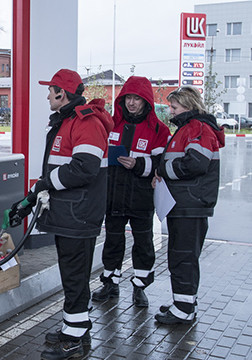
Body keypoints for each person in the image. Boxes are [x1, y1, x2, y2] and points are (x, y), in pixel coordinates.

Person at [9, 69, 113, 359]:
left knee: (75, 274)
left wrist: (44, 183)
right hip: (70, 211)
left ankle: (75, 339)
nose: (47, 96)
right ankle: (75, 325)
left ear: (61, 93)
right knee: (71, 273)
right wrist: (32, 198)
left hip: (78, 213)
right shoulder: (67, 121)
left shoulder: (86, 123)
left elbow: (84, 168)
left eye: (50, 90)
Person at [92, 76, 170, 307]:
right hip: (114, 196)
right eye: (128, 98)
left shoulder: (159, 129)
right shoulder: (111, 124)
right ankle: (110, 283)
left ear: (146, 101)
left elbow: (161, 164)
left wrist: (138, 165)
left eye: (137, 98)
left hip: (141, 198)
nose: (132, 103)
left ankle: (140, 286)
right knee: (113, 241)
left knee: (143, 243)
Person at [152, 86, 224, 324]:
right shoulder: (191, 128)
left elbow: (196, 164)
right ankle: (184, 302)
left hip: (189, 205)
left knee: (183, 257)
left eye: (174, 107)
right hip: (185, 204)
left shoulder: (197, 128)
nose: (170, 111)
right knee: (181, 256)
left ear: (188, 106)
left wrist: (164, 171)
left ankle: (183, 310)